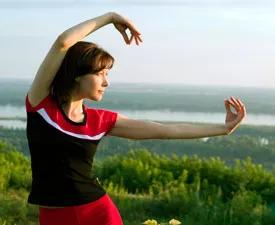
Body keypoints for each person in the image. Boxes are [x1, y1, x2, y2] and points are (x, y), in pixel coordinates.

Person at [25, 12, 246, 225]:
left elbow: (164, 130)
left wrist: (223, 128)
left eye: (107, 75)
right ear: (77, 74)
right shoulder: (41, 104)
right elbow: (63, 43)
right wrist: (110, 18)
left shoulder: (100, 120)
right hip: (54, 216)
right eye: (100, 73)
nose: (106, 82)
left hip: (98, 212)